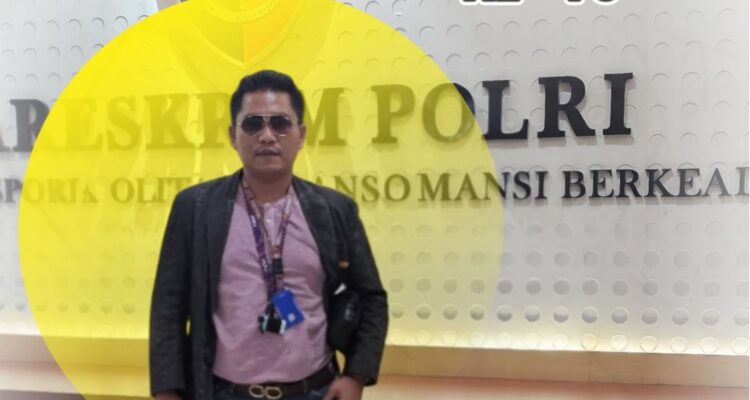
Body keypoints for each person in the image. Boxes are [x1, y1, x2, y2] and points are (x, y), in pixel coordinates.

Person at [149, 70, 388, 400]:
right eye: (252, 124)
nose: (266, 135)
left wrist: (356, 376)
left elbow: (371, 298)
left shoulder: (334, 210)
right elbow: (168, 306)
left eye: (280, 123)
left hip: (315, 390)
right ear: (233, 135)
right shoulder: (196, 207)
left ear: (301, 134)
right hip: (222, 393)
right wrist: (166, 392)